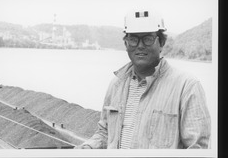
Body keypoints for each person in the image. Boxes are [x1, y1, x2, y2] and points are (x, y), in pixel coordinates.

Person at [74, 8, 211, 149]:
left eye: (147, 39)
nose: (140, 46)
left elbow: (198, 149)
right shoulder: (116, 84)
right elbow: (105, 133)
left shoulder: (186, 86)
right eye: (133, 39)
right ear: (126, 43)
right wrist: (88, 148)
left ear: (162, 43)